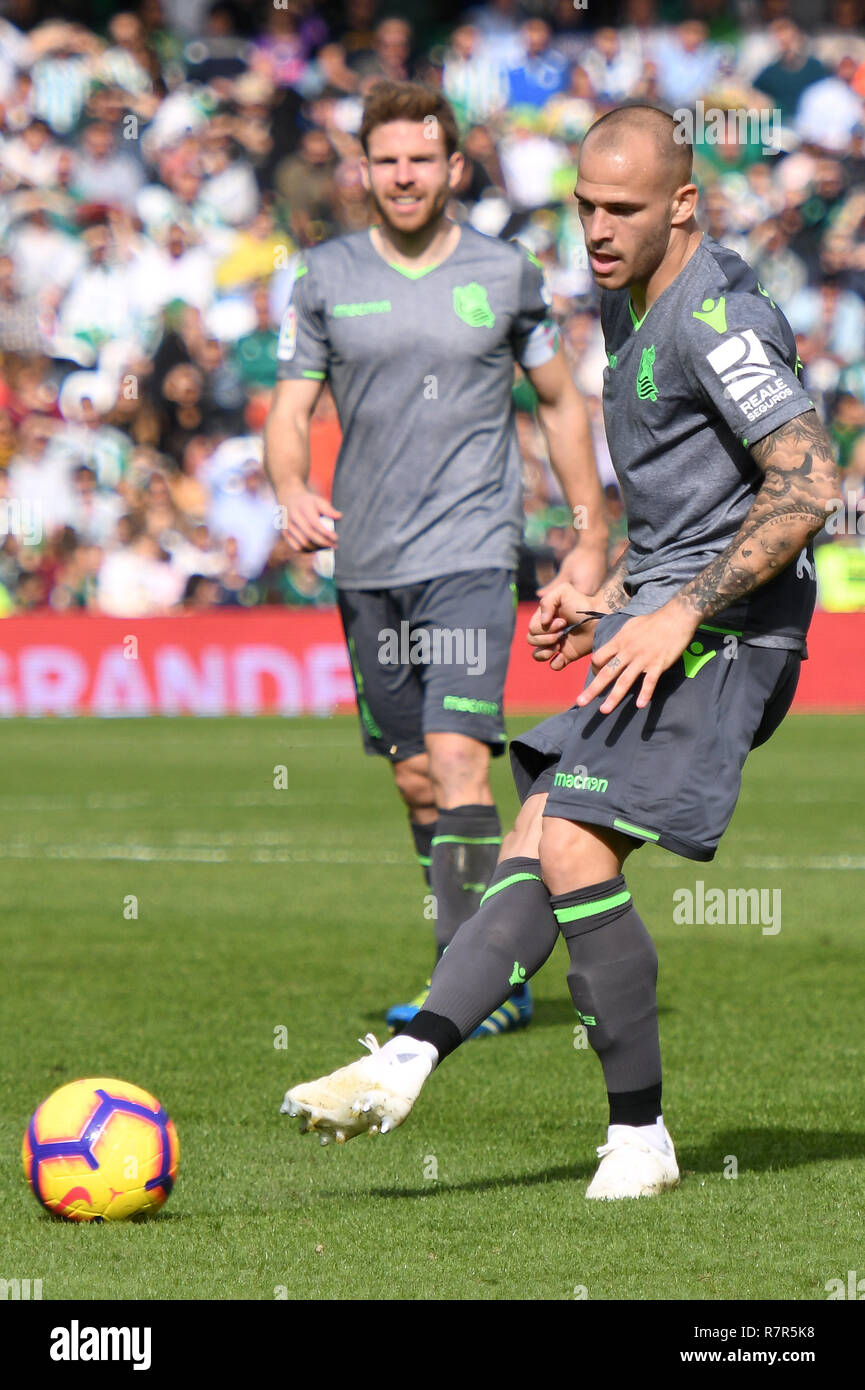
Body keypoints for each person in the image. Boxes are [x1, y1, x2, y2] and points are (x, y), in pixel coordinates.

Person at [281, 105, 839, 1200]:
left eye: (620, 207)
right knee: (536, 832)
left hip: (733, 634)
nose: (594, 225)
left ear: (682, 203)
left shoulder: (715, 317)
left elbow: (811, 482)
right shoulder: (622, 298)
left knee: (575, 846)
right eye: (583, 203)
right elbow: (685, 508)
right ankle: (408, 1059)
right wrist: (603, 594)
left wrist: (675, 611)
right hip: (668, 620)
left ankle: (640, 1138)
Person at [264, 79, 607, 1037]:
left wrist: (587, 528)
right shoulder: (325, 276)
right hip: (366, 561)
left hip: (470, 549)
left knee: (460, 758)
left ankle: (479, 981)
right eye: (387, 160)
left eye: (422, 158)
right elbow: (289, 411)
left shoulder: (505, 273)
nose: (405, 174)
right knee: (415, 776)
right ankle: (472, 952)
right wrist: (291, 489)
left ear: (453, 166)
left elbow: (561, 403)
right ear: (364, 170)